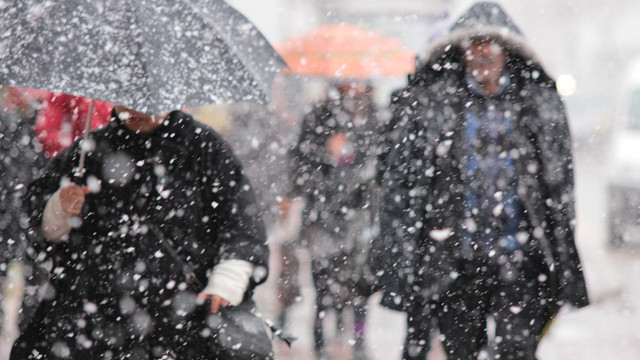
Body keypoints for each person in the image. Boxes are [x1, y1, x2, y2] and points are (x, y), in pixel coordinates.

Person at [372, 2, 589, 359]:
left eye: (491, 43)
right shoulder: (434, 103)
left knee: (517, 351)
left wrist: (561, 257)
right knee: (461, 353)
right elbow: (401, 183)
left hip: (520, 262)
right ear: (461, 50)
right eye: (475, 43)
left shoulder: (535, 100)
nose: (483, 51)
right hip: (456, 264)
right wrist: (401, 256)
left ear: (506, 49)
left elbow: (559, 186)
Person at [11, 105, 269, 359]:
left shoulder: (204, 148)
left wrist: (227, 280)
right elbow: (39, 218)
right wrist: (60, 206)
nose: (135, 110)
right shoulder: (89, 151)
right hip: (95, 322)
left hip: (183, 321)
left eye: (147, 105)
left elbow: (241, 223)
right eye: (128, 103)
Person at [289, 81, 379, 360]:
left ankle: (360, 337)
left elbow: (379, 165)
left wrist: (357, 162)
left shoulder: (374, 118)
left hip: (360, 215)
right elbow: (299, 170)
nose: (353, 87)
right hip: (322, 217)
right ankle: (319, 339)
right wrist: (327, 154)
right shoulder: (317, 116)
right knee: (322, 281)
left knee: (360, 281)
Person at [35, 92, 112, 158]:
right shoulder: (65, 91)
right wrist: (72, 155)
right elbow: (49, 132)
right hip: (76, 160)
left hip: (104, 160)